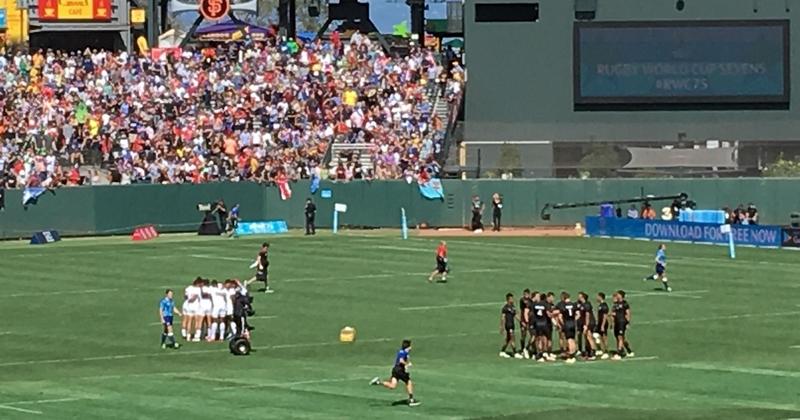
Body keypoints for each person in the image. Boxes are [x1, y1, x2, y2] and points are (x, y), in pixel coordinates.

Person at [370, 340, 421, 407]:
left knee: (393, 385)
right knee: (408, 382)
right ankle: (411, 400)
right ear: (408, 347)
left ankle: (378, 382)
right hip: (400, 371)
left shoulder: (402, 351)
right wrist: (407, 364)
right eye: (410, 346)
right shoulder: (404, 353)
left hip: (395, 370)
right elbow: (401, 360)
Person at [556, 292, 579, 363]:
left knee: (569, 339)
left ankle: (571, 355)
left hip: (567, 323)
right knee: (573, 338)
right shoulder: (574, 304)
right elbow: (578, 314)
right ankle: (573, 353)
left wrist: (563, 323)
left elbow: (560, 317)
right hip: (572, 323)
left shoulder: (563, 306)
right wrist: (574, 320)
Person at [611, 290, 634, 360]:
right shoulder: (615, 304)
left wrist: (627, 322)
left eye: (618, 295)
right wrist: (612, 322)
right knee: (620, 338)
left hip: (622, 322)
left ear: (621, 296)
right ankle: (629, 350)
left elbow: (628, 313)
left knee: (620, 337)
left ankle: (619, 353)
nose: (616, 296)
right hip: (616, 322)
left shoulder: (625, 304)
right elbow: (613, 313)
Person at [499, 293, 521, 358]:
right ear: (508, 300)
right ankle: (515, 352)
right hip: (508, 325)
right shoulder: (505, 308)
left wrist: (521, 321)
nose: (513, 300)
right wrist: (502, 326)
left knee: (508, 339)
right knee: (512, 338)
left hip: (512, 324)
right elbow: (503, 318)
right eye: (511, 299)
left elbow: (515, 315)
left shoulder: (513, 307)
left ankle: (502, 351)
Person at [577, 292, 596, 360]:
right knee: (586, 338)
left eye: (579, 296)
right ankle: (588, 352)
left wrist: (586, 325)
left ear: (583, 297)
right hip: (585, 323)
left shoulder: (587, 305)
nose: (578, 297)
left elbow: (587, 316)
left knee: (589, 337)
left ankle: (593, 353)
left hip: (589, 322)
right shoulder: (582, 304)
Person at [594, 292, 610, 359]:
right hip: (600, 323)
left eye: (598, 297)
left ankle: (606, 352)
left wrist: (603, 325)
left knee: (604, 337)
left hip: (603, 323)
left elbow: (605, 316)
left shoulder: (604, 306)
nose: (596, 298)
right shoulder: (600, 305)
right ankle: (599, 349)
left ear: (600, 297)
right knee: (595, 335)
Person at [518, 289, 533, 358]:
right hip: (523, 320)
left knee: (532, 334)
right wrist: (522, 321)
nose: (526, 295)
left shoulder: (530, 300)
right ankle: (522, 349)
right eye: (525, 294)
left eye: (527, 294)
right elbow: (523, 310)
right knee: (523, 335)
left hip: (530, 320)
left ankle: (530, 349)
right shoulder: (522, 300)